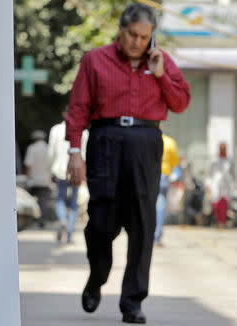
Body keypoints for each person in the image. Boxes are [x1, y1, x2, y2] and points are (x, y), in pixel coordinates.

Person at [65, 3, 190, 324]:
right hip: (105, 139)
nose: (137, 42)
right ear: (121, 30)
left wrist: (161, 75)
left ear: (152, 37)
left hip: (146, 144)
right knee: (101, 222)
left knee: (143, 225)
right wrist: (74, 151)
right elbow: (78, 107)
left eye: (144, 37)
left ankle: (132, 302)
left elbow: (180, 103)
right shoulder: (95, 60)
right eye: (132, 34)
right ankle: (97, 277)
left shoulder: (162, 63)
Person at [48, 111, 88, 243]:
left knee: (60, 198)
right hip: (76, 171)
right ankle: (69, 231)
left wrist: (51, 169)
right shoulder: (84, 132)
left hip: (60, 170)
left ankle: (62, 220)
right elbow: (85, 154)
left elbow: (51, 152)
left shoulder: (55, 130)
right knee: (73, 203)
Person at [154, 132, 179, 246]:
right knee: (160, 206)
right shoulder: (170, 142)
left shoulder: (150, 139)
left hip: (149, 175)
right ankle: (157, 236)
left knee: (148, 205)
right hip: (163, 176)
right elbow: (175, 162)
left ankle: (147, 236)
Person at [24, 130, 52, 223]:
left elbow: (28, 165)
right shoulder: (48, 148)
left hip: (34, 180)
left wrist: (27, 177)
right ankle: (42, 220)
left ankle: (34, 219)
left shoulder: (31, 148)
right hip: (45, 179)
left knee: (33, 200)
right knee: (43, 201)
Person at [205, 143, 235, 227]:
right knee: (216, 203)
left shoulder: (229, 161)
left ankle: (222, 222)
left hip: (226, 185)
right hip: (215, 184)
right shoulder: (214, 161)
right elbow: (210, 174)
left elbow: (232, 174)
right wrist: (207, 184)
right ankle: (218, 220)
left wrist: (234, 185)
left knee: (224, 204)